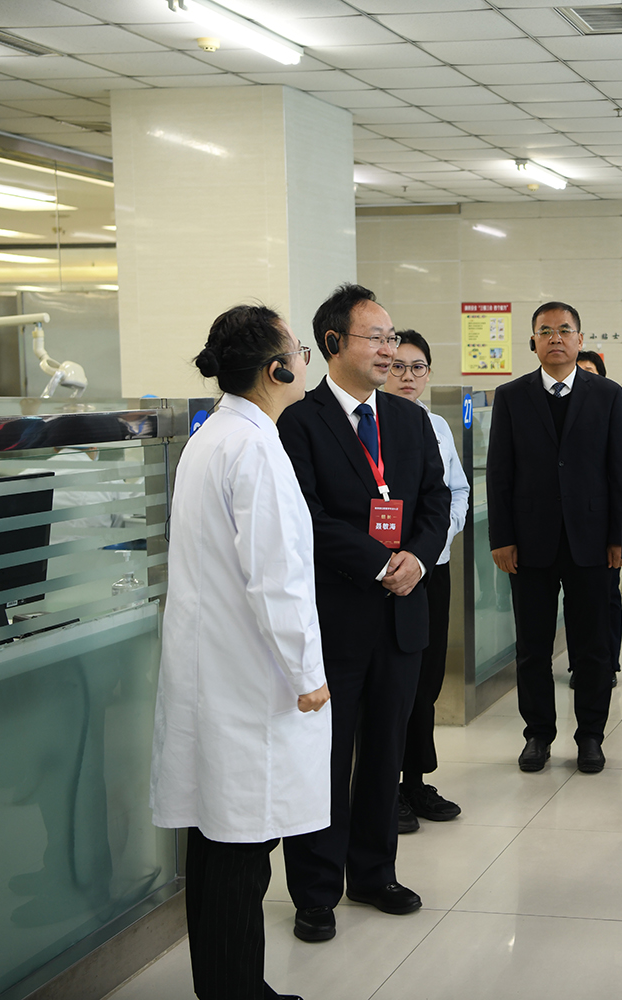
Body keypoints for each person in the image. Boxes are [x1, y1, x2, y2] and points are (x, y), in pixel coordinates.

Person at [150, 304, 328, 1000]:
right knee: (240, 849)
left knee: (220, 837)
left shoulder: (216, 435)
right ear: (276, 369)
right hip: (249, 681)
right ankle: (235, 991)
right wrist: (308, 674)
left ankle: (227, 985)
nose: (306, 362)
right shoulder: (253, 448)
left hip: (218, 673)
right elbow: (276, 580)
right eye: (300, 351)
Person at [279, 284, 451, 944]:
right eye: (375, 338)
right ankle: (316, 891)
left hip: (403, 616)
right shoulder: (300, 421)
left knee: (385, 752)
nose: (389, 350)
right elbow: (307, 515)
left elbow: (435, 501)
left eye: (391, 337)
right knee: (324, 761)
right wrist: (380, 563)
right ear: (333, 344)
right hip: (336, 619)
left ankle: (375, 873)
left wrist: (418, 557)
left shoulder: (410, 420)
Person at [487, 301, 622, 774]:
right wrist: (501, 537)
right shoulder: (511, 396)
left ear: (580, 339)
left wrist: (620, 537)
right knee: (532, 647)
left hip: (593, 541)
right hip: (530, 543)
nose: (555, 338)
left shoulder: (607, 394)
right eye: (545, 330)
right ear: (533, 341)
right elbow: (500, 472)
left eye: (564, 330)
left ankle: (590, 735)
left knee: (592, 647)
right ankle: (538, 734)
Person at [387, 330, 470, 833]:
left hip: (430, 569)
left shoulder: (436, 425)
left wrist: (432, 545)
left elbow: (456, 491)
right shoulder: (370, 423)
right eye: (398, 366)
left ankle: (415, 780)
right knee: (390, 683)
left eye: (417, 367)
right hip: (382, 572)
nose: (408, 376)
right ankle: (384, 788)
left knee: (427, 677)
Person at [575, 347, 622, 681]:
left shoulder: (610, 405)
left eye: (589, 372)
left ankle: (608, 661)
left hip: (599, 529)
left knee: (606, 600)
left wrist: (619, 535)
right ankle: (580, 663)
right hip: (563, 528)